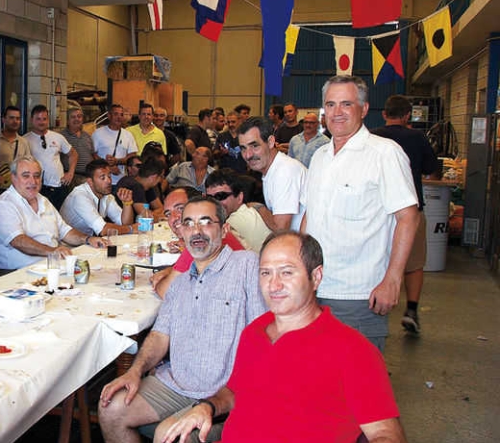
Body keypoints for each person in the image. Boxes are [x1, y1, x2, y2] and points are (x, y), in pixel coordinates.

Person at [159, 232, 407, 443]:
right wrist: (207, 406)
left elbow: (385, 433)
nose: (273, 285)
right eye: (266, 273)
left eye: (286, 273)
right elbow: (235, 392)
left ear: (316, 277)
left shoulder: (352, 351)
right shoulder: (255, 331)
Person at [98, 197, 266, 443]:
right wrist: (135, 371)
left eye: (206, 222)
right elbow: (159, 335)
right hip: (177, 384)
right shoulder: (179, 283)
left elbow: (264, 340)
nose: (196, 231)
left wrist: (226, 399)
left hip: (225, 391)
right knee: (111, 408)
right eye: (188, 223)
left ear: (225, 229)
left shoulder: (247, 266)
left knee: (170, 435)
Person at [304, 76, 418, 351]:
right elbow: (311, 215)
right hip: (315, 291)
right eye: (330, 105)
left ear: (364, 109)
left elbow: (408, 217)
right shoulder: (320, 156)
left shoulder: (384, 154)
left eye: (346, 104)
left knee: (356, 386)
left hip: (357, 296)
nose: (337, 112)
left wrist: (392, 279)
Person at [372, 94, 440, 334]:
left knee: (373, 259)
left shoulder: (372, 137)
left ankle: (370, 306)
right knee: (414, 263)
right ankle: (411, 309)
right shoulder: (417, 137)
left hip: (377, 212)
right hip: (409, 210)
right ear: (408, 115)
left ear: (383, 114)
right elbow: (433, 171)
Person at [0, 156, 106, 272]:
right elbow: (18, 241)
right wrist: (52, 251)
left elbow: (64, 231)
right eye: (26, 176)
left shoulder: (42, 200)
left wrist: (87, 239)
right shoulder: (4, 204)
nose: (32, 181)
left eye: (37, 176)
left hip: (52, 265)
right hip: (18, 273)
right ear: (13, 178)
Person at [238, 116, 306, 231]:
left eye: (255, 146)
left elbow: (281, 228)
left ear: (270, 142)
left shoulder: (285, 171)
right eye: (243, 148)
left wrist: (259, 208)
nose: (248, 155)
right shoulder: (273, 170)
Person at [61, 159, 137, 236]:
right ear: (90, 182)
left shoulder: (107, 196)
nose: (109, 181)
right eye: (102, 178)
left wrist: (127, 203)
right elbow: (103, 229)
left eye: (109, 176)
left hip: (89, 242)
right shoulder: (79, 196)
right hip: (69, 245)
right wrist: (130, 229)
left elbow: (124, 223)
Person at [205, 169, 272, 252]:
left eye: (221, 196)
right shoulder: (252, 211)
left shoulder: (231, 224)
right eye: (210, 198)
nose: (215, 203)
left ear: (239, 197)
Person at [25, 104, 77, 210]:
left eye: (44, 119)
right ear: (32, 120)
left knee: (60, 217)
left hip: (59, 187)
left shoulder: (58, 137)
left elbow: (73, 154)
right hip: (37, 187)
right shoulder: (25, 140)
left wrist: (70, 173)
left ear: (48, 120)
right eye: (38, 119)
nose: (42, 122)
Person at [93, 104, 139, 185]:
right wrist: (107, 167)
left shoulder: (128, 135)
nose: (119, 117)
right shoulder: (98, 133)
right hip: (101, 181)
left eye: (121, 114)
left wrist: (117, 161)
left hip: (121, 180)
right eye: (116, 114)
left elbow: (132, 156)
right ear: (109, 115)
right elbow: (93, 155)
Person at [0, 105, 31, 192]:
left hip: (18, 188)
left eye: (17, 118)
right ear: (3, 119)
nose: (15, 121)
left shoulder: (24, 142)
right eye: (11, 118)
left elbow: (28, 164)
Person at [60, 107, 95, 187]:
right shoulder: (61, 136)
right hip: (71, 178)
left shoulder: (87, 136)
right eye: (73, 117)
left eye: (79, 116)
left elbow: (92, 155)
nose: (77, 119)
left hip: (87, 177)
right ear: (68, 121)